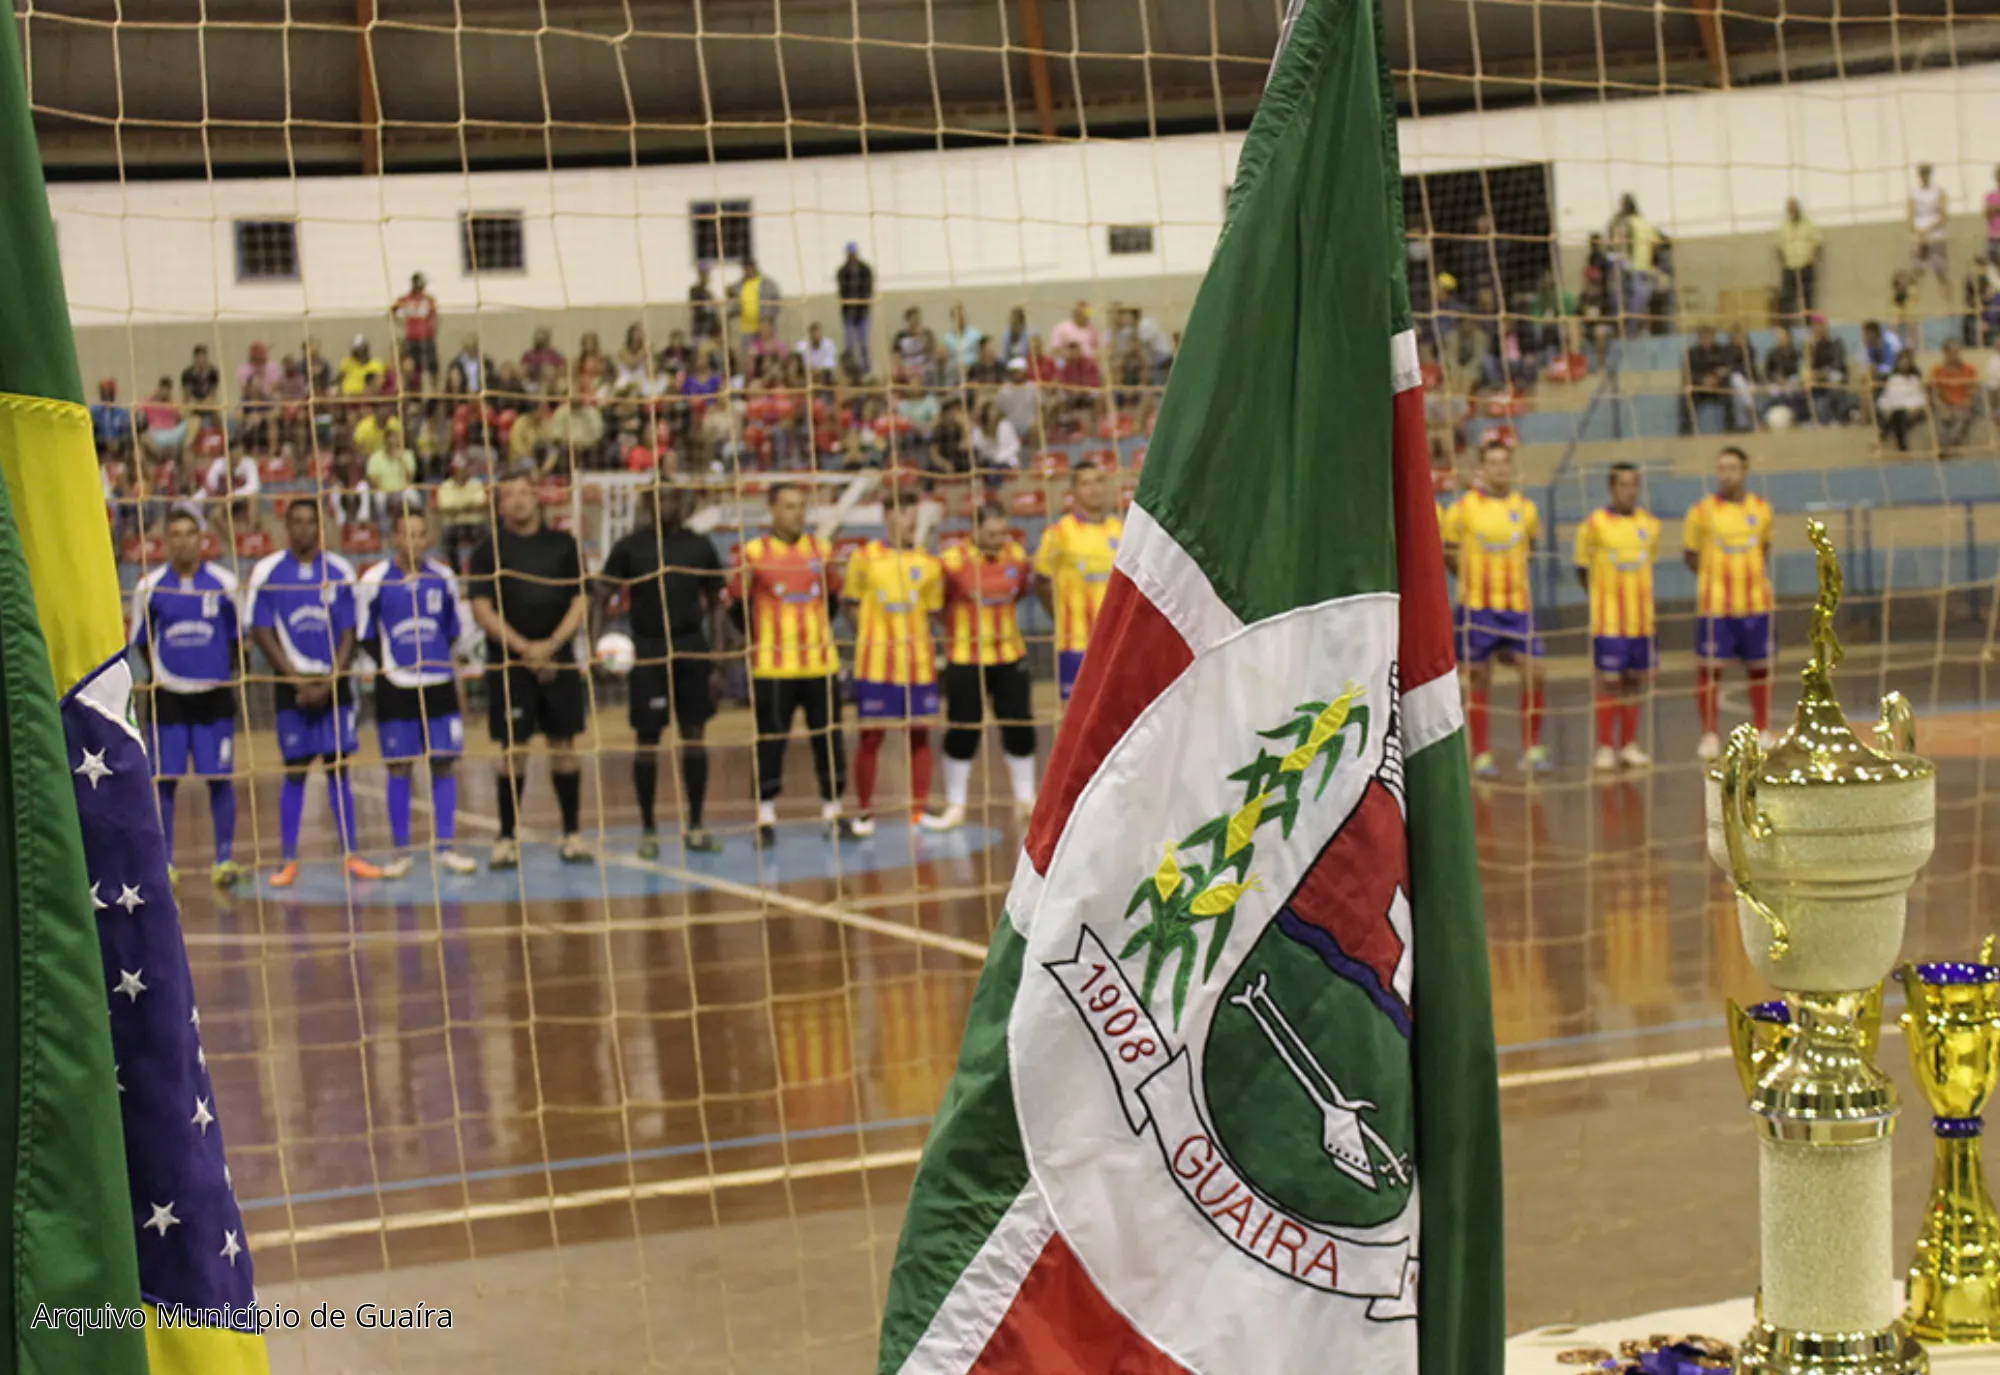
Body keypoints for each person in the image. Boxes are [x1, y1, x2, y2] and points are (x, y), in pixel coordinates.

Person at [246, 499, 384, 886]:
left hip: (333, 687)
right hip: (292, 688)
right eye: (298, 522)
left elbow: (349, 632)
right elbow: (260, 630)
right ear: (287, 527)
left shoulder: (338, 570)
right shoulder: (267, 572)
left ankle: (351, 855)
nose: (305, 529)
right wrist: (295, 682)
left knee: (339, 767)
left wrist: (331, 682)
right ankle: (288, 860)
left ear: (320, 527)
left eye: (312, 522)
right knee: (295, 771)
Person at [466, 466, 594, 867]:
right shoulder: (489, 550)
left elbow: (581, 599)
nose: (517, 501)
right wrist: (524, 649)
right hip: (510, 666)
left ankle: (572, 834)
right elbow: (482, 607)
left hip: (560, 663)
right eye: (508, 495)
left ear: (538, 496)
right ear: (500, 503)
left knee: (565, 747)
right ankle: (506, 838)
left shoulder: (564, 545)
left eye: (524, 492)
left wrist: (552, 646)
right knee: (512, 750)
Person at [595, 485, 725, 857]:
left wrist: (715, 658)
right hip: (648, 649)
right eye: (658, 498)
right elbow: (601, 594)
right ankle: (648, 829)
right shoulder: (630, 547)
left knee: (695, 735)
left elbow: (716, 602)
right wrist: (596, 646)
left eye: (672, 498)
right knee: (647, 740)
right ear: (646, 504)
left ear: (683, 503)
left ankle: (697, 825)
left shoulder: (699, 546)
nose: (666, 504)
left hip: (691, 647)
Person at [728, 482, 854, 845]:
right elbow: (737, 606)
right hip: (773, 668)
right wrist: (762, 640)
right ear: (772, 510)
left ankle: (833, 813)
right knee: (770, 743)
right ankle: (765, 817)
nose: (796, 513)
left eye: (800, 506)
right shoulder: (754, 552)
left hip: (820, 664)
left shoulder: (821, 550)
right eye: (788, 506)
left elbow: (831, 599)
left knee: (828, 741)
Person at [356, 506, 478, 876]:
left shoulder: (443, 577)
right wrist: (392, 667)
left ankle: (446, 847)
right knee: (399, 768)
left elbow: (453, 630)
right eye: (407, 533)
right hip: (396, 686)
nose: (415, 540)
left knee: (443, 763)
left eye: (421, 533)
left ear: (429, 538)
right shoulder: (375, 579)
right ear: (395, 538)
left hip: (438, 683)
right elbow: (366, 634)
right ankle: (401, 852)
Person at [131, 510, 243, 889]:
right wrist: (167, 675)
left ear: (202, 539)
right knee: (164, 781)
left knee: (220, 779)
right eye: (175, 534)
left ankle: (224, 859)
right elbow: (142, 642)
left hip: (214, 698)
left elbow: (237, 640)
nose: (183, 541)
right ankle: (165, 864)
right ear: (165, 541)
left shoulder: (225, 584)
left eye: (190, 533)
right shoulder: (149, 587)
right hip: (169, 700)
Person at [1440, 441, 1549, 776]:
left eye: (1505, 463)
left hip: (1517, 609)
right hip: (1477, 609)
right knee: (1479, 678)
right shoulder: (1462, 509)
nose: (1500, 469)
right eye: (1493, 463)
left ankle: (1532, 749)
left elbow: (1530, 547)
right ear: (1481, 470)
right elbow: (1449, 553)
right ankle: (1481, 753)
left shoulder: (1527, 509)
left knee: (1536, 671)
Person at [842, 496, 943, 835]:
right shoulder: (864, 557)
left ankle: (918, 811)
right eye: (901, 514)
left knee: (920, 736)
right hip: (876, 666)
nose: (908, 522)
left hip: (918, 666)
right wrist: (872, 638)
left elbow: (932, 612)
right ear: (885, 516)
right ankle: (865, 812)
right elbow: (851, 605)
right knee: (871, 738)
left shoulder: (928, 562)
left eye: (913, 516)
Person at [931, 505, 1037, 830]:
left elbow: (1017, 594)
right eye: (991, 534)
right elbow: (938, 606)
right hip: (965, 659)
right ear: (974, 530)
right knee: (964, 730)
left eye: (1002, 533)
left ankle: (1027, 800)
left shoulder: (1016, 557)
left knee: (1020, 727)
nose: (998, 540)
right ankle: (956, 805)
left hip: (1009, 656)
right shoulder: (951, 562)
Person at [1685, 445, 1775, 760]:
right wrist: (1714, 580)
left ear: (1745, 471)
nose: (1726, 474)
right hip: (1716, 608)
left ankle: (1762, 729)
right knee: (1710, 670)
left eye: (1733, 468)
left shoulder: (1762, 509)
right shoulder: (1701, 511)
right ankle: (1709, 734)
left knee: (1760, 668)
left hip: (1755, 605)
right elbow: (1690, 555)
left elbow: (1764, 549)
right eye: (1721, 468)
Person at [1574, 464, 1660, 772]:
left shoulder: (1649, 524)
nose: (1630, 490)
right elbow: (1582, 569)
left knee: (1635, 682)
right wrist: (1602, 599)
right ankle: (1606, 747)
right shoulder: (1594, 524)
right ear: (1612, 488)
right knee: (1608, 682)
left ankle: (1629, 744)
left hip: (1641, 620)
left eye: (1634, 484)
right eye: (1623, 485)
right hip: (1608, 621)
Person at [1033, 462, 1123, 703]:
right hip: (1076, 641)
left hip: (1117, 641)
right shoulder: (1059, 533)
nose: (1093, 489)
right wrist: (1060, 614)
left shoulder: (1121, 530)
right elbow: (1041, 581)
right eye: (1085, 483)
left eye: (1098, 481)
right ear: (1073, 492)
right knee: (1077, 715)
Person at [1775, 198, 1823, 319]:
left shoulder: (1808, 224)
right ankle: (1787, 328)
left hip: (1805, 266)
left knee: (1808, 298)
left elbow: (1818, 243)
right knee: (1787, 299)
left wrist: (1813, 259)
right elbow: (1778, 247)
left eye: (1795, 208)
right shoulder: (1783, 226)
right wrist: (1783, 263)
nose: (1793, 211)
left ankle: (1809, 325)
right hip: (1789, 267)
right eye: (1790, 209)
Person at [1930, 340, 1981, 451]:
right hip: (1945, 406)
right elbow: (1935, 394)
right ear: (1945, 353)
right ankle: (1944, 446)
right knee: (1938, 417)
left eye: (1957, 352)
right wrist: (1942, 407)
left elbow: (1972, 394)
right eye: (1951, 352)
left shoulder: (1970, 369)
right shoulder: (1937, 370)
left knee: (1961, 416)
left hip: (1963, 406)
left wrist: (1959, 406)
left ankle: (1948, 447)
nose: (1954, 355)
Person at [1877, 350, 1929, 453]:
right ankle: (1902, 444)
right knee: (1898, 413)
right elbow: (1889, 397)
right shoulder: (1892, 379)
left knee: (1900, 414)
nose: (1904, 364)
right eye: (1901, 361)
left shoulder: (1915, 379)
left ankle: (1886, 431)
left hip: (1914, 410)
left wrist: (1913, 408)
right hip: (1896, 409)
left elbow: (1920, 397)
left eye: (1906, 361)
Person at [1911, 162, 1951, 297]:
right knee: (1916, 275)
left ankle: (1950, 310)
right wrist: (1919, 234)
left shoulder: (1939, 192)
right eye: (1922, 173)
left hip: (1936, 237)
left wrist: (1928, 230)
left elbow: (1944, 217)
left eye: (1926, 173)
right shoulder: (1914, 194)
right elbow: (1909, 218)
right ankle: (1911, 311)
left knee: (1942, 274)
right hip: (1920, 238)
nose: (1924, 176)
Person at [392, 272, 440, 384]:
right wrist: (401, 324)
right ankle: (413, 392)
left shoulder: (428, 300)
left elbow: (435, 316)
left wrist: (433, 330)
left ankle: (435, 393)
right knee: (412, 368)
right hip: (412, 339)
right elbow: (392, 311)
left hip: (426, 338)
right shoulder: (405, 299)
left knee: (432, 367)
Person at [835, 244, 873, 372]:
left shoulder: (865, 270)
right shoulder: (842, 271)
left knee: (864, 344)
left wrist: (863, 306)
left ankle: (866, 370)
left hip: (862, 313)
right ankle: (850, 371)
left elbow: (868, 290)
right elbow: (842, 293)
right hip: (849, 314)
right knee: (850, 344)